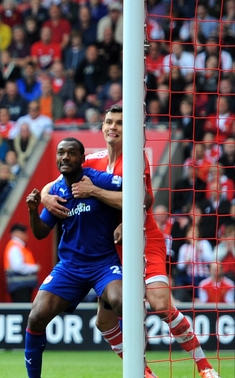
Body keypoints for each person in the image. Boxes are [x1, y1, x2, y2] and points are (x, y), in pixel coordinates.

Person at [40, 105, 220, 378]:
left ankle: (204, 367)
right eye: (109, 122)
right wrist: (44, 197)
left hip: (145, 240)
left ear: (130, 129)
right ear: (102, 127)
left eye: (120, 123)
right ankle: (143, 371)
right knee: (104, 320)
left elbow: (140, 201)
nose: (113, 127)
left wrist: (96, 192)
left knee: (160, 304)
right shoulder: (92, 160)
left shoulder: (136, 159)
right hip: (113, 249)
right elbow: (52, 184)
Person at [24, 138, 124, 378]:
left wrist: (121, 220)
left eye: (71, 153)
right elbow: (40, 233)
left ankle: (139, 361)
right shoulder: (57, 191)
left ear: (82, 158)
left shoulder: (97, 179)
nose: (65, 157)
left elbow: (138, 196)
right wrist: (33, 210)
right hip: (70, 267)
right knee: (36, 317)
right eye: (61, 153)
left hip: (105, 263)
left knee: (121, 300)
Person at [4, 224, 39, 302]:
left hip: (22, 285)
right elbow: (17, 267)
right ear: (16, 233)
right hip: (20, 286)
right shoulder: (15, 247)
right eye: (23, 232)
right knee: (22, 309)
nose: (25, 234)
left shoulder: (19, 246)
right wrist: (34, 268)